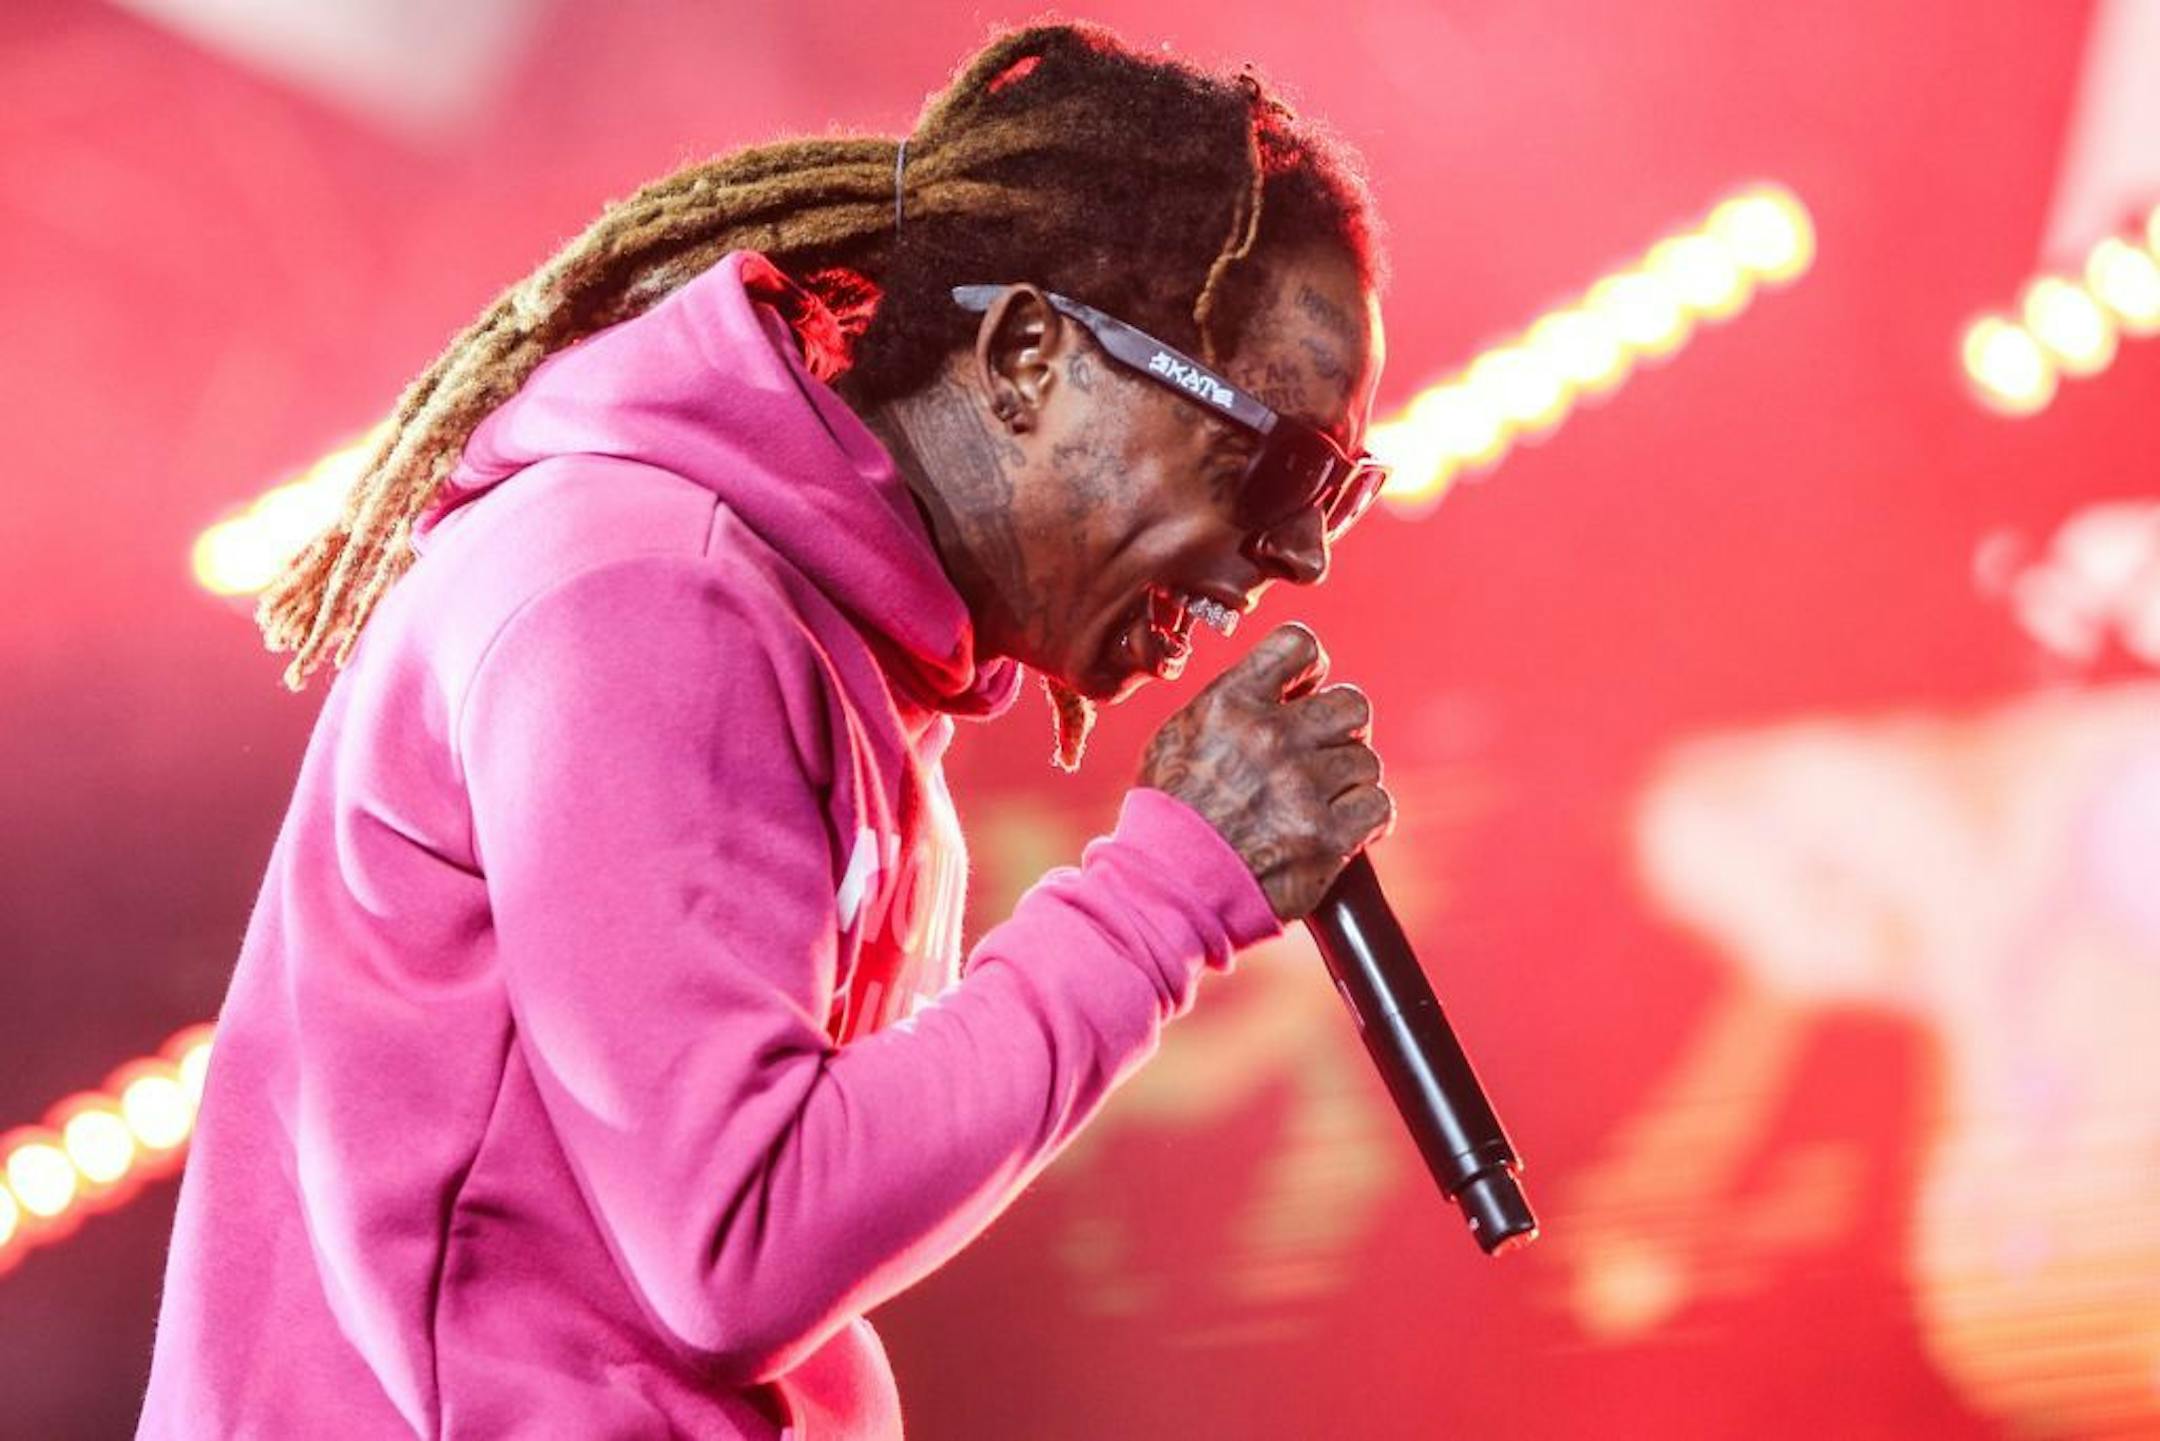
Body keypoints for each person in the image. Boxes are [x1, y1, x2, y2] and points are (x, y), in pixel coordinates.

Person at [139, 22, 1393, 1438]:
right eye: (1282, 457)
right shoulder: (645, 594)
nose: (1301, 551)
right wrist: (1161, 899)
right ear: (1032, 352)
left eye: (1339, 487)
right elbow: (738, 1241)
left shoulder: (830, 644)